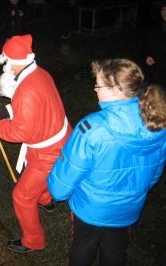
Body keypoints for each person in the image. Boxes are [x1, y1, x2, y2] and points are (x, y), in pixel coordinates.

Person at [47, 59, 166, 266]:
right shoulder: (157, 124)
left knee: (82, 249)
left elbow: (61, 184)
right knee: (116, 250)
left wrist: (56, 192)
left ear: (117, 90)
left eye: (99, 85)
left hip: (90, 210)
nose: (95, 90)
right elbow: (153, 176)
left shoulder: (91, 128)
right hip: (127, 210)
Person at [0, 34, 72, 253]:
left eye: (6, 61)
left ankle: (33, 241)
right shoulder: (41, 73)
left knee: (21, 196)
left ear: (14, 61)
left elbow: (21, 131)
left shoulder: (25, 91)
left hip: (47, 152)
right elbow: (38, 108)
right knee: (37, 179)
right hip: (61, 137)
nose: (5, 65)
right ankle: (46, 199)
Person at [144, 2, 166, 87]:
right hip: (156, 67)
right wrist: (149, 55)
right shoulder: (157, 26)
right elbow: (150, 43)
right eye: (163, 9)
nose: (164, 12)